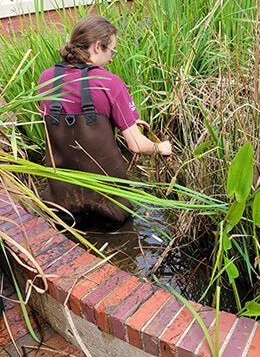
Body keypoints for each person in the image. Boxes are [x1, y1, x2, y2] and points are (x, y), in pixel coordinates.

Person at [38, 14, 172, 230]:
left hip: (61, 206)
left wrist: (128, 120)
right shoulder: (110, 83)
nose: (112, 58)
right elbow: (136, 145)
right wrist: (161, 147)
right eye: (112, 50)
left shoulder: (46, 79)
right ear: (98, 46)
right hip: (109, 209)